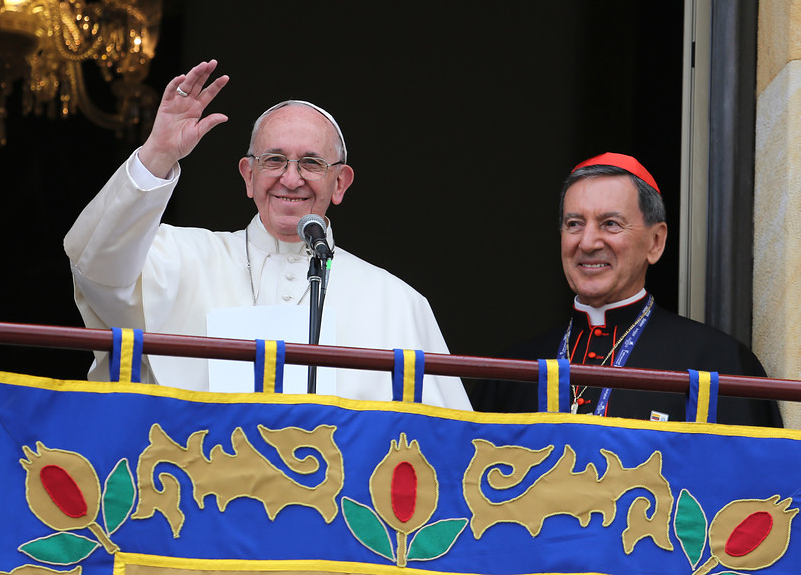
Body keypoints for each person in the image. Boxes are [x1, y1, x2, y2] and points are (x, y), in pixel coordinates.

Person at [64, 60, 471, 410]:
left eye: (311, 163)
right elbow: (95, 267)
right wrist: (158, 153)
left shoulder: (396, 302)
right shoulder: (179, 258)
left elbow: (446, 441)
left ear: (340, 183)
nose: (290, 179)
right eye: (274, 160)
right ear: (249, 175)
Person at [469, 152, 782, 426]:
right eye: (574, 224)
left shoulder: (716, 362)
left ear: (655, 242)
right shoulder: (512, 370)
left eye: (610, 224)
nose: (588, 243)